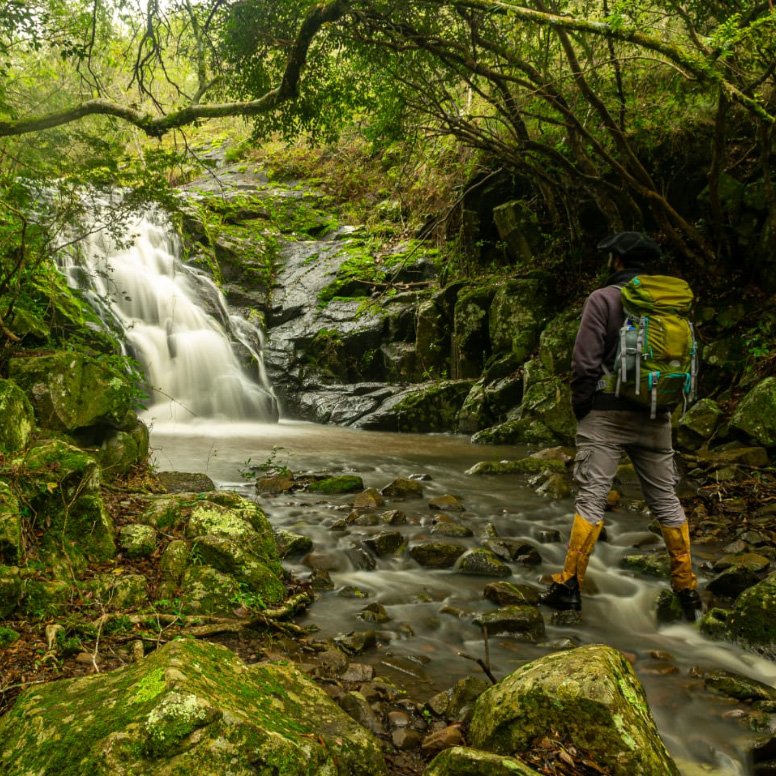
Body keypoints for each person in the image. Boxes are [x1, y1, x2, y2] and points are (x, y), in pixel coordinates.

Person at [539, 231, 703, 621]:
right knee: (665, 499)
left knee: (592, 496)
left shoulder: (603, 299)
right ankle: (687, 588)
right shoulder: (671, 304)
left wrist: (583, 406)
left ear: (617, 261)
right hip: (655, 413)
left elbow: (584, 362)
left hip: (606, 413)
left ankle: (569, 585)